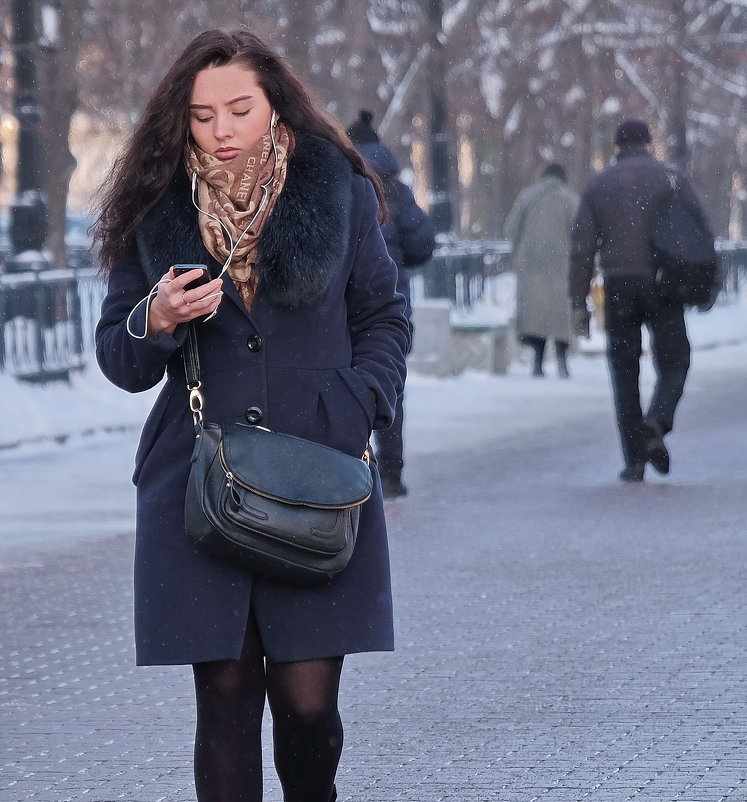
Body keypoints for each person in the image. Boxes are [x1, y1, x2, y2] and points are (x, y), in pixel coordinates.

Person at [94, 29, 410, 802]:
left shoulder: (334, 190)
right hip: (201, 484)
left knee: (308, 710)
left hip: (316, 475)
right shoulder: (155, 204)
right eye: (202, 116)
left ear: (275, 106)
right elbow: (117, 352)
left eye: (238, 108)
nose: (221, 129)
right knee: (226, 703)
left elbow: (384, 318)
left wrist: (355, 406)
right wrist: (156, 317)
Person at [569, 118, 712, 482]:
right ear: (649, 143)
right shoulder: (671, 178)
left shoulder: (599, 185)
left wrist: (578, 299)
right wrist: (709, 284)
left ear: (618, 147)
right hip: (665, 283)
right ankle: (657, 421)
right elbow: (700, 234)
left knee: (624, 372)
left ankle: (634, 460)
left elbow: (583, 248)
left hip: (619, 287)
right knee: (676, 360)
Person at [346, 109, 436, 498]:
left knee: (343, 384)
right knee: (389, 386)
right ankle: (392, 471)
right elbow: (423, 244)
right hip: (391, 306)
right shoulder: (395, 190)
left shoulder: (341, 183)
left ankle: (349, 470)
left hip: (345, 306)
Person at [505, 162, 580, 378]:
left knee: (535, 316)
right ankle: (562, 361)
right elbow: (579, 234)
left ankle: (537, 362)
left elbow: (510, 229)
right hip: (561, 267)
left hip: (531, 267)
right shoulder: (569, 199)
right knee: (560, 317)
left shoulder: (527, 197)